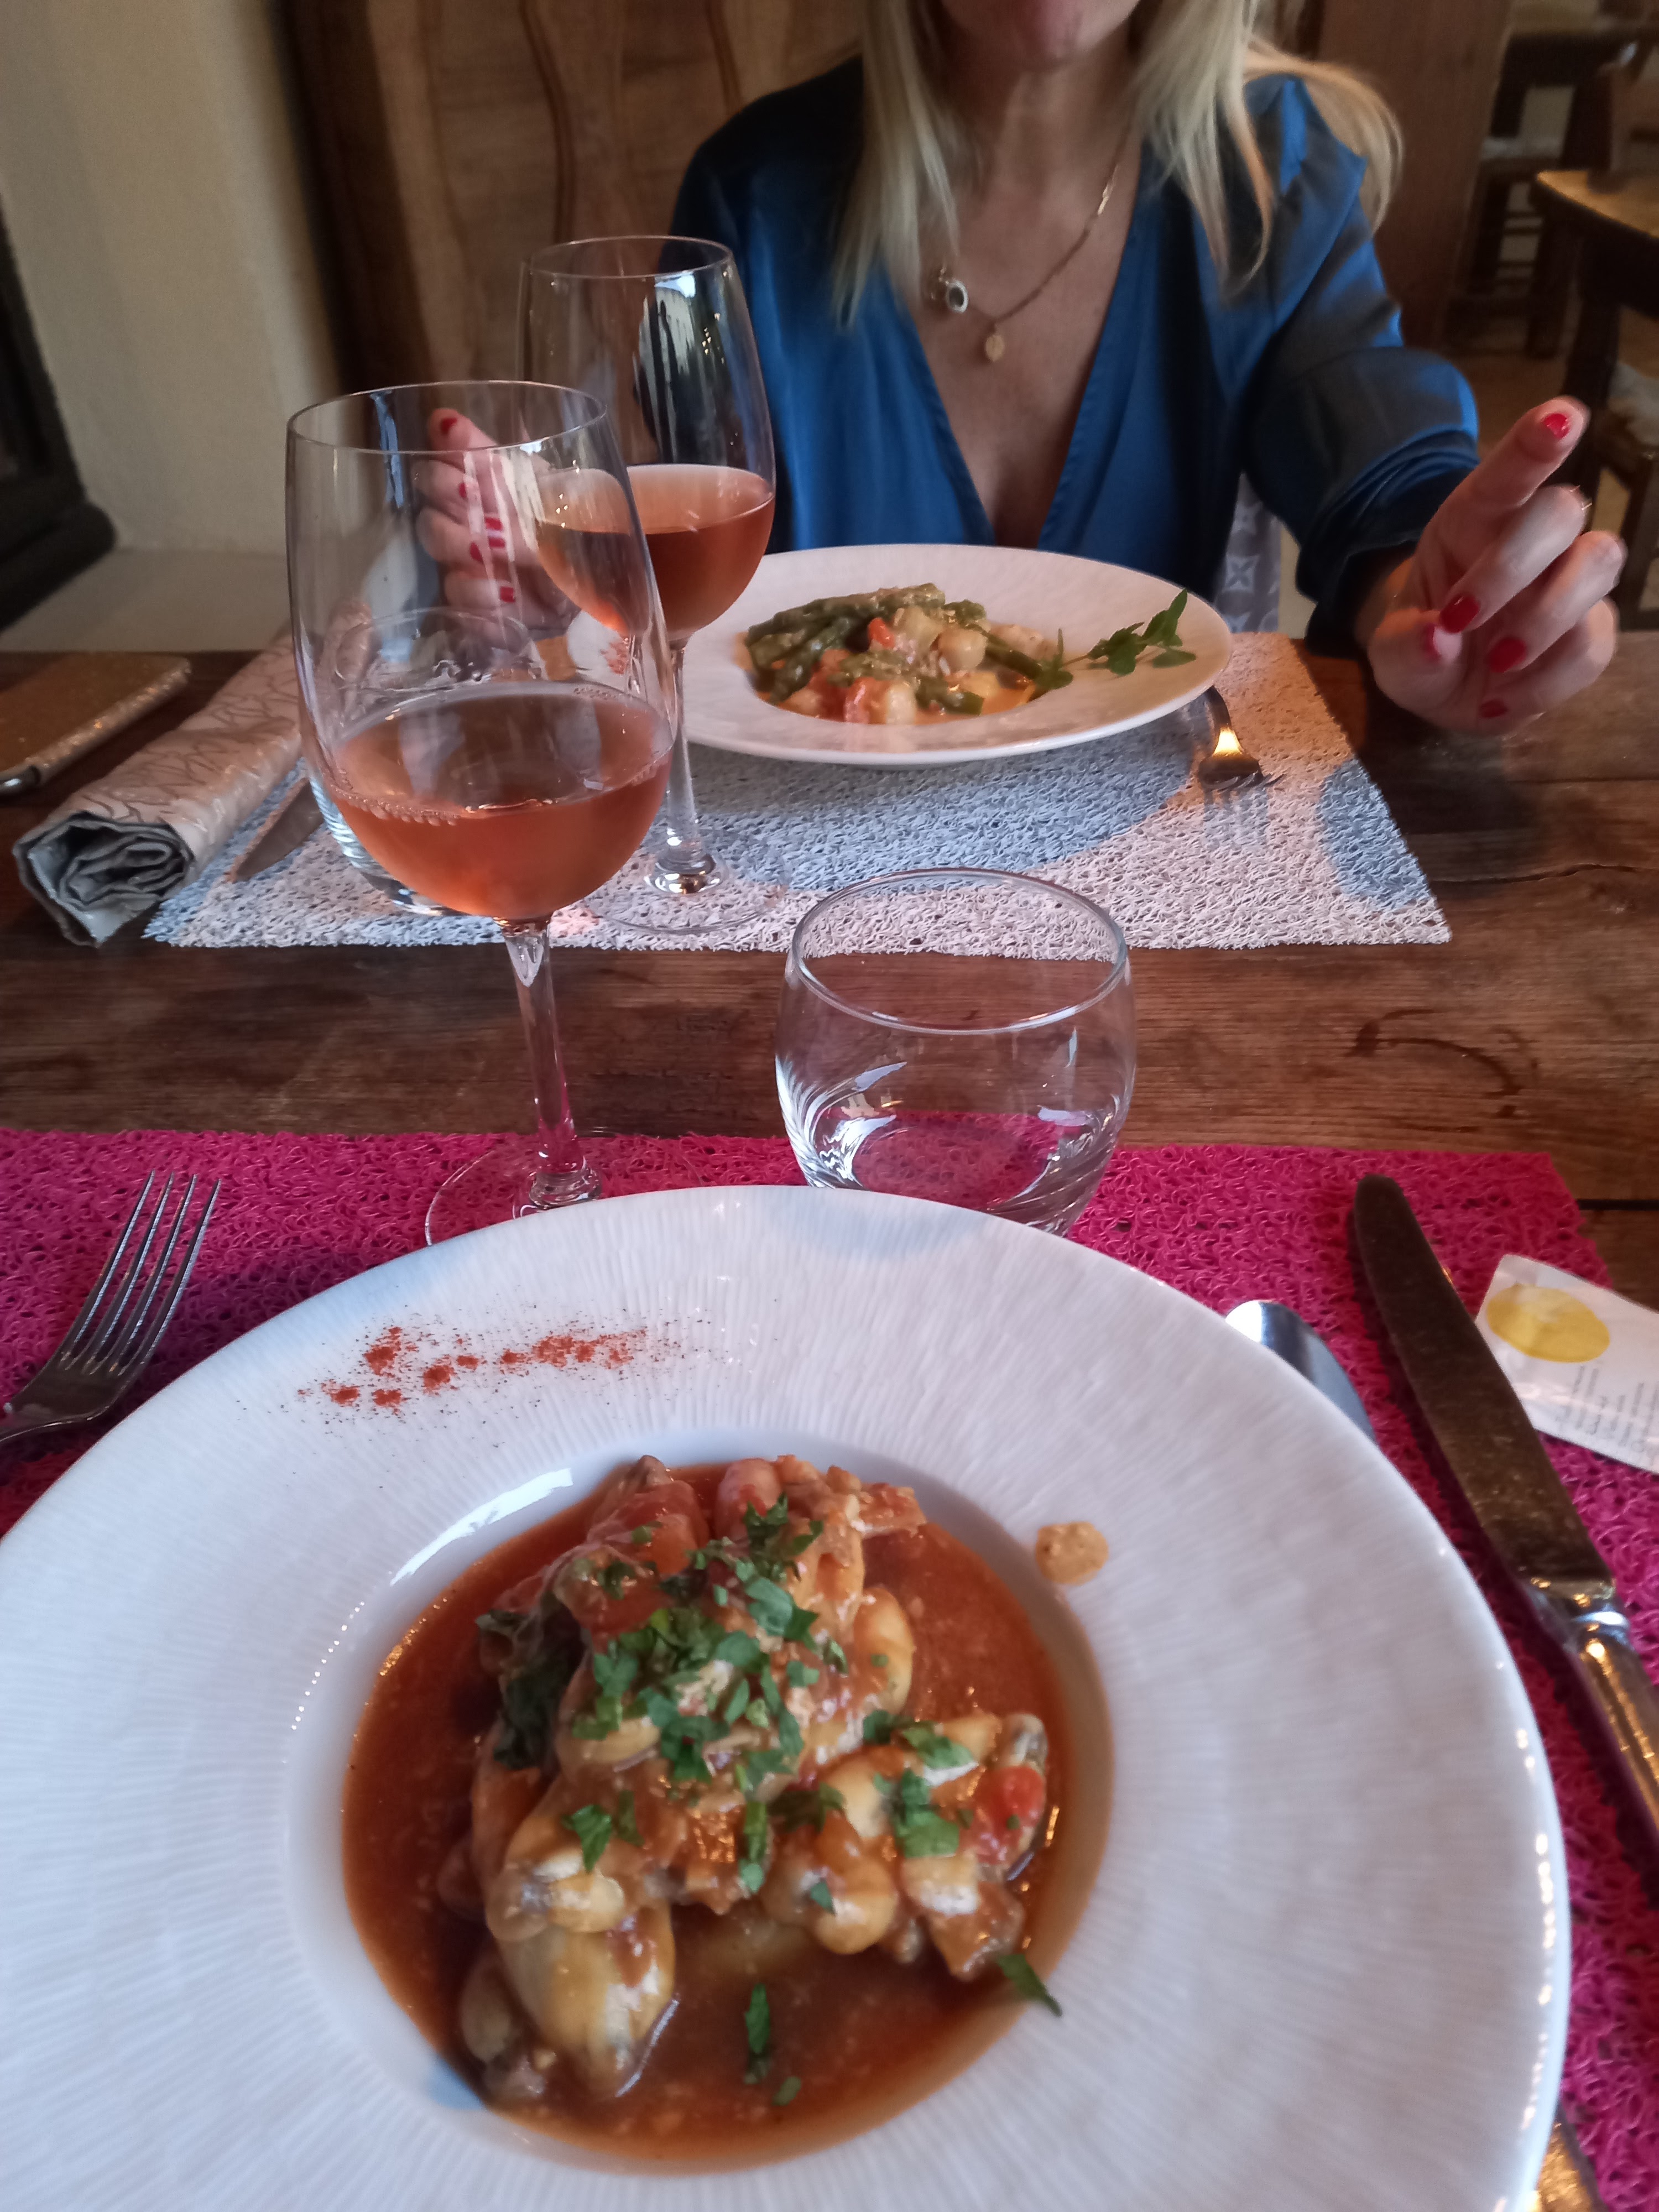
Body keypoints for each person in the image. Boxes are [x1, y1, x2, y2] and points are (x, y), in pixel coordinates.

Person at [669, 0, 1622, 735]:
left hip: (1151, 861)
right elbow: (661, 566)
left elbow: (1379, 473)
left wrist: (1439, 595)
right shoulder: (744, 200)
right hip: (806, 872)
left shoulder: (1273, 173)